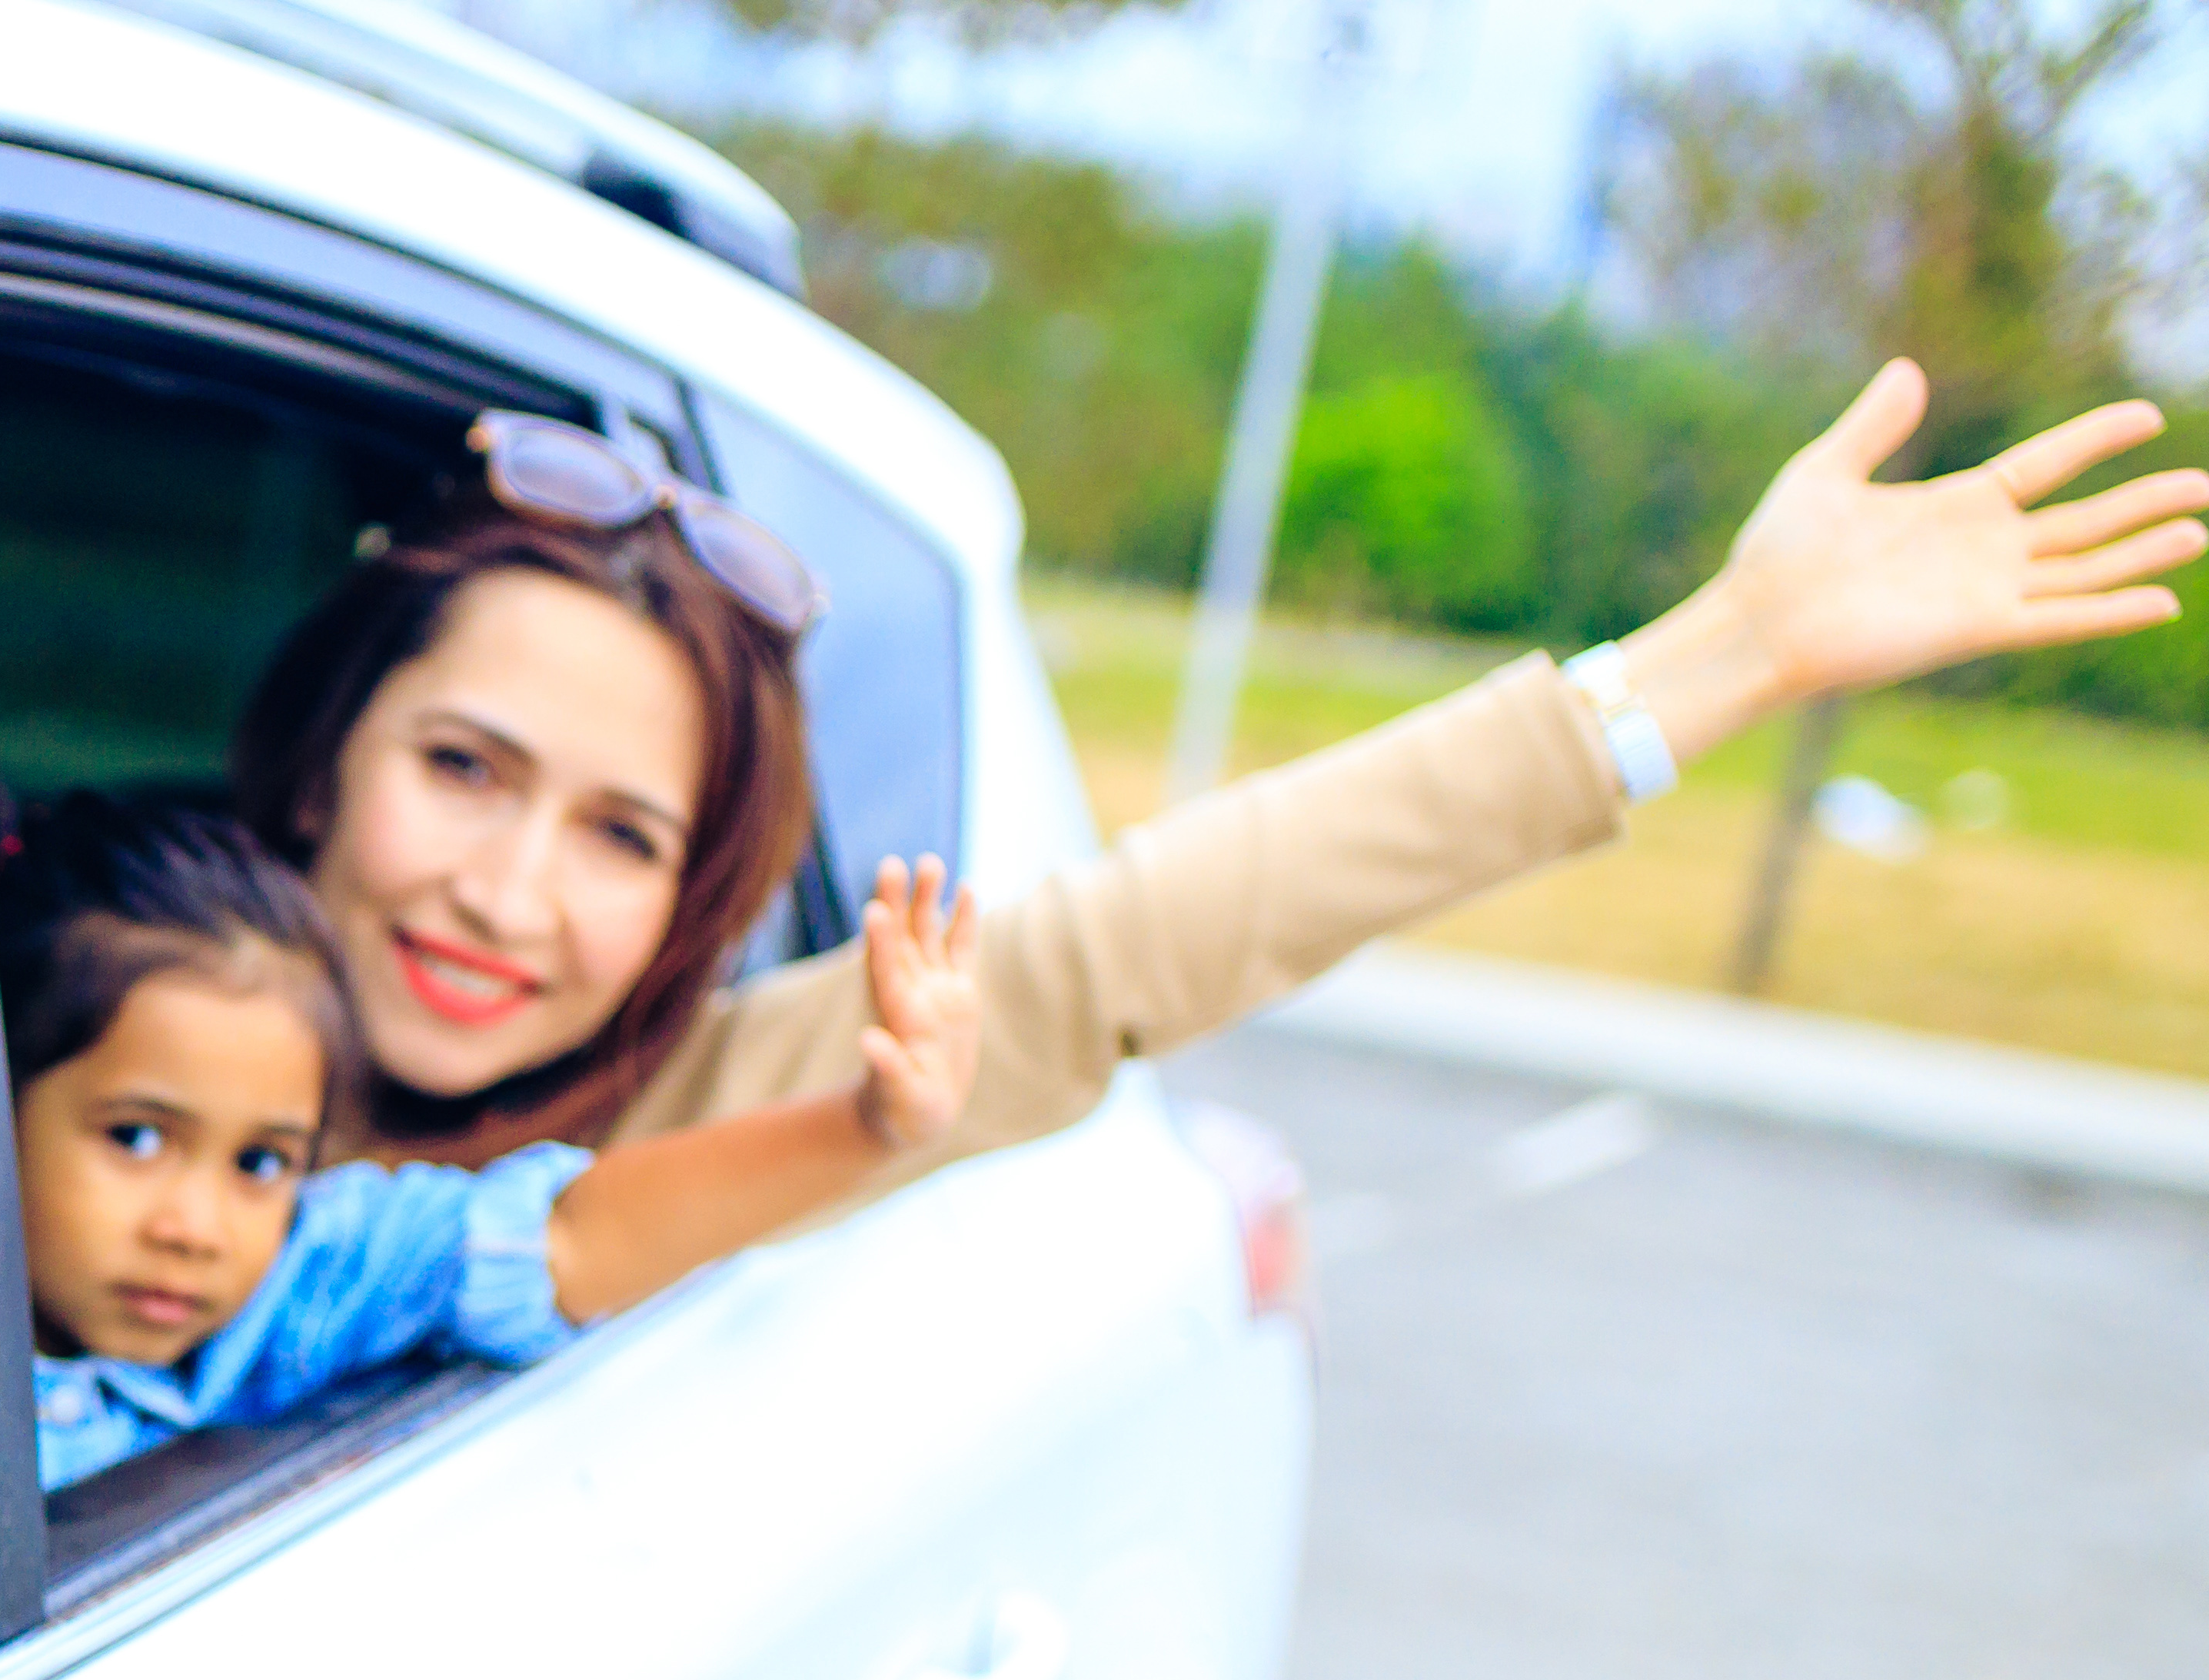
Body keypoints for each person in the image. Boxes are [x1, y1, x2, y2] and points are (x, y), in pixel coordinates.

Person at [232, 364, 2208, 1185]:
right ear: (323, 758)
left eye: (623, 836)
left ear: (696, 901)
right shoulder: (3, 1009)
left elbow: (1142, 939)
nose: (505, 893)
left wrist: (1732, 654)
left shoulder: (709, 1112)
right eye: (465, 767)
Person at [5, 791, 983, 1490]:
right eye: (135, 1138)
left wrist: (865, 1126)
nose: (197, 1227)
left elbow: (567, 1242)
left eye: (262, 1163)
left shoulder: (299, 1284)